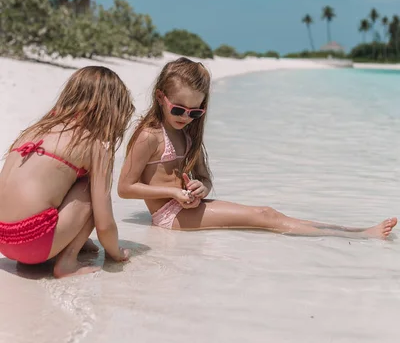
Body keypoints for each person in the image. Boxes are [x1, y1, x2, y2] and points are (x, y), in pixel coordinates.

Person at [118, 57, 397, 238]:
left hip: (184, 207)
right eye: (179, 109)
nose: (186, 118)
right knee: (266, 217)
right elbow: (124, 188)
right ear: (160, 97)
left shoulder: (188, 134)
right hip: (168, 216)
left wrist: (201, 187)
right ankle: (358, 236)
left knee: (269, 213)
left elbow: (204, 177)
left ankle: (354, 232)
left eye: (195, 112)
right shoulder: (149, 136)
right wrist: (171, 192)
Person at [0, 66, 134, 278]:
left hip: (3, 241)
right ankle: (68, 262)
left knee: (64, 178)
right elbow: (104, 223)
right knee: (89, 189)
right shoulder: (92, 144)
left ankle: (71, 241)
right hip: (32, 243)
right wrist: (116, 252)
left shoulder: (35, 130)